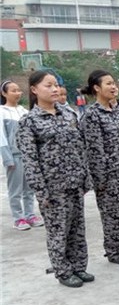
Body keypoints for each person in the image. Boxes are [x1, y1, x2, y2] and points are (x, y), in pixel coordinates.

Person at [17, 70, 94, 288]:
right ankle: (63, 270)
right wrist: (41, 192)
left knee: (77, 229)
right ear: (34, 90)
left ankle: (79, 267)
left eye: (56, 85)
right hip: (53, 188)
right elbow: (30, 161)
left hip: (75, 182)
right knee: (58, 231)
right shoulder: (29, 122)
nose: (54, 89)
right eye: (48, 85)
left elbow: (81, 148)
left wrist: (85, 177)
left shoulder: (68, 114)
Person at [80, 70, 119, 265]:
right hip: (108, 176)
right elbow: (94, 151)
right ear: (96, 88)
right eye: (108, 84)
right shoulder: (91, 115)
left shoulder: (118, 112)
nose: (114, 87)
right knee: (113, 213)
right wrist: (101, 180)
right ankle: (114, 251)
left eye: (114, 83)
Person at [0, 80, 44, 231]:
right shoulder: (2, 112)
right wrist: (7, 158)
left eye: (19, 90)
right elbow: (1, 137)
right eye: (13, 90)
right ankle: (18, 218)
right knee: (15, 189)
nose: (17, 93)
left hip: (28, 156)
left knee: (29, 188)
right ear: (4, 93)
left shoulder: (24, 111)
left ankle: (30, 214)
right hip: (14, 156)